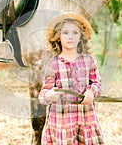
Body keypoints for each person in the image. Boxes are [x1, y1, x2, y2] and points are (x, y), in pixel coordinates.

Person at [39, 12, 104, 145]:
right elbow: (43, 95)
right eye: (66, 33)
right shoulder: (53, 64)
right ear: (58, 37)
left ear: (81, 37)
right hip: (61, 123)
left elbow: (97, 83)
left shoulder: (89, 60)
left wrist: (91, 91)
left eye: (75, 33)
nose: (70, 37)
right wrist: (51, 95)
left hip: (86, 119)